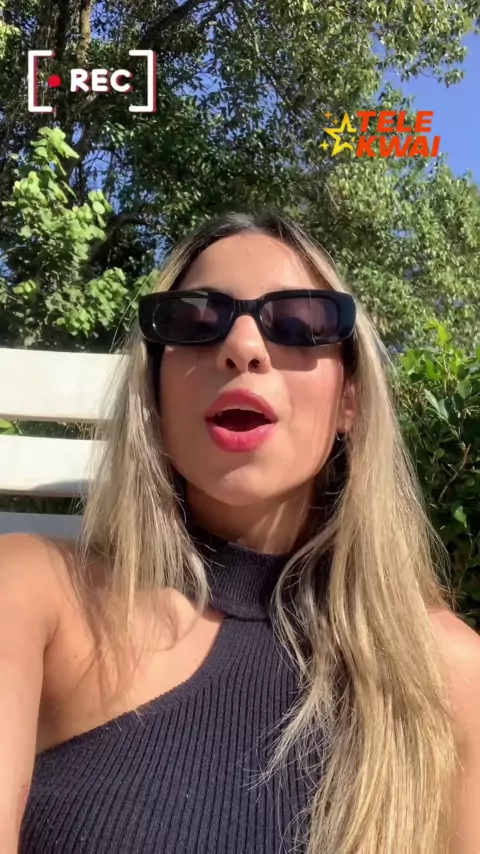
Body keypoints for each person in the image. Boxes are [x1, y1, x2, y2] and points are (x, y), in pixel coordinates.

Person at [1, 211, 479, 854]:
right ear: (156, 396)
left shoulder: (451, 676)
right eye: (195, 321)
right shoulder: (31, 594)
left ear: (349, 402)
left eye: (300, 323)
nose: (244, 345)